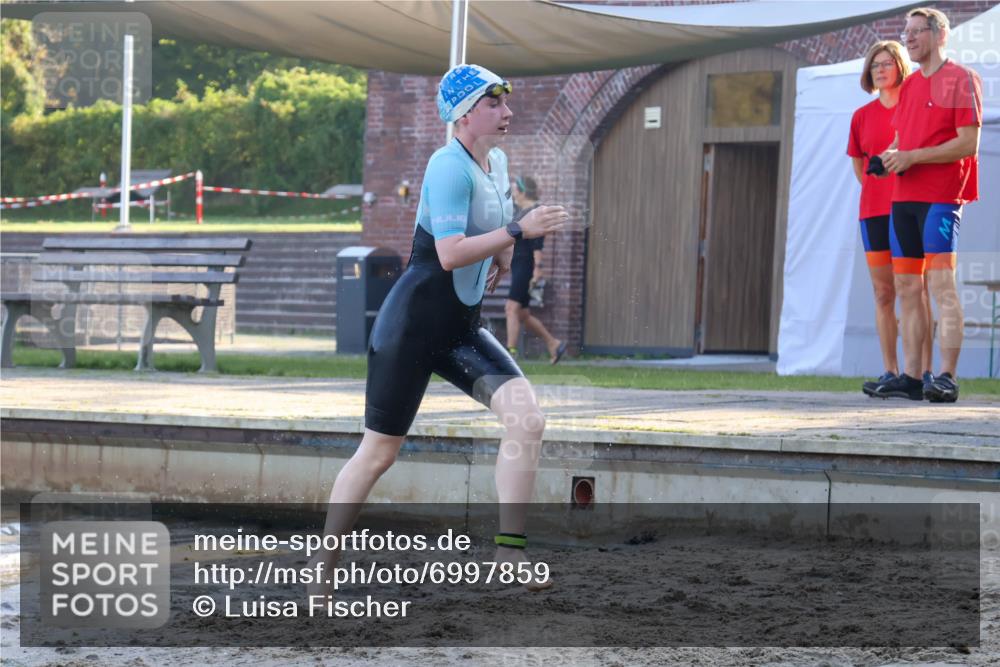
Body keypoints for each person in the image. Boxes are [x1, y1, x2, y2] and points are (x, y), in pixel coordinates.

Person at [308, 64, 569, 594]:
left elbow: (488, 223)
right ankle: (323, 567)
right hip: (411, 328)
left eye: (505, 102)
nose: (507, 112)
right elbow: (448, 255)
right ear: (464, 114)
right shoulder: (446, 167)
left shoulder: (495, 163)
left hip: (461, 326)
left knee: (528, 421)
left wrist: (504, 250)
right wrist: (519, 228)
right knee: (379, 453)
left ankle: (508, 554)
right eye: (494, 104)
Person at [876, 6, 983, 402]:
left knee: (940, 286)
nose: (908, 39)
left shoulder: (961, 79)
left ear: (939, 35)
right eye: (905, 32)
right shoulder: (910, 87)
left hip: (941, 197)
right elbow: (904, 141)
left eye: (916, 31)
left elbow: (968, 143)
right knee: (906, 286)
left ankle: (947, 377)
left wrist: (912, 156)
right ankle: (912, 375)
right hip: (902, 197)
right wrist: (890, 155)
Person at [847, 40, 934, 397]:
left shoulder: (916, 108)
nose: (880, 70)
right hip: (873, 213)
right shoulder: (861, 116)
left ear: (900, 66)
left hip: (911, 207)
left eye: (886, 64)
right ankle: (890, 370)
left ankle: (926, 374)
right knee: (883, 293)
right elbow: (859, 166)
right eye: (874, 66)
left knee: (916, 291)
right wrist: (877, 192)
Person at [505, 175, 567, 364]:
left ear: (523, 191)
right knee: (522, 314)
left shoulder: (534, 212)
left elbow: (537, 244)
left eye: (516, 189)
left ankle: (510, 354)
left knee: (511, 308)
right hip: (518, 266)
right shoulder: (520, 210)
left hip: (526, 267)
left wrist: (537, 270)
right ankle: (553, 344)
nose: (513, 192)